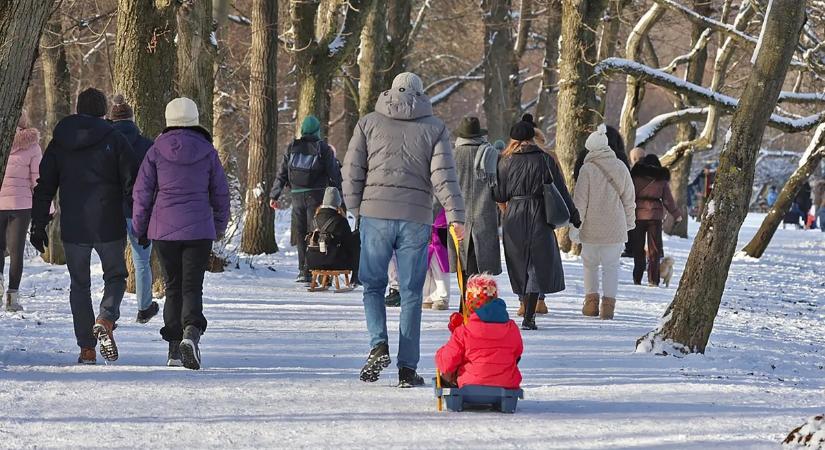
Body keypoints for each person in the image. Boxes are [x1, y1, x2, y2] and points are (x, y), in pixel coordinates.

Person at [343, 72, 466, 387]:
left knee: (372, 285)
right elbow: (443, 176)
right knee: (411, 293)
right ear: (420, 94)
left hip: (375, 213)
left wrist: (355, 207)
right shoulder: (434, 128)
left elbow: (352, 169)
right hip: (415, 217)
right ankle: (407, 369)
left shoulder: (368, 123)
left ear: (390, 92)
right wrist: (455, 216)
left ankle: (377, 344)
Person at [31, 88, 138, 365]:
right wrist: (139, 217)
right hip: (108, 224)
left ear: (78, 110)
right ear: (104, 111)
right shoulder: (114, 138)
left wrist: (38, 224)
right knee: (115, 277)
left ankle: (87, 349)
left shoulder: (60, 141)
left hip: (74, 226)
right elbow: (132, 182)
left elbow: (44, 187)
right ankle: (105, 318)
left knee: (79, 285)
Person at [132, 97, 229, 370]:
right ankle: (191, 334)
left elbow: (142, 194)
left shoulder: (155, 151)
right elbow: (220, 194)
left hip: (164, 230)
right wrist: (218, 227)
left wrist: (140, 228)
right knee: (192, 286)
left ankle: (175, 349)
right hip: (199, 230)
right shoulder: (208, 152)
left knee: (173, 286)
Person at [492, 121, 579, 331]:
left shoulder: (505, 162)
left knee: (519, 261)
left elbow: (500, 194)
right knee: (536, 264)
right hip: (540, 213)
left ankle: (524, 304)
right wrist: (574, 215)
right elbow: (561, 188)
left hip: (514, 215)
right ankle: (530, 314)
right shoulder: (545, 159)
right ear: (532, 137)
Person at [570, 125, 636, 320]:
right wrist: (629, 223)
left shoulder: (587, 169)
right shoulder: (621, 167)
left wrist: (575, 227)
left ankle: (590, 304)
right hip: (615, 227)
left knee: (589, 265)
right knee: (611, 267)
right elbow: (629, 199)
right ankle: (608, 307)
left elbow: (579, 202)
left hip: (591, 227)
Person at [270, 115, 342, 283]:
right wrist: (339, 196)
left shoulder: (292, 147)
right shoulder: (323, 148)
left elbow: (281, 174)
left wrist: (274, 195)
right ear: (317, 131)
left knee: (301, 233)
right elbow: (334, 175)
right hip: (316, 196)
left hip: (296, 196)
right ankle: (316, 268)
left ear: (302, 130)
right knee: (316, 232)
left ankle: (303, 271)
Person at [109, 94, 159, 323]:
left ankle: (110, 310)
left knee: (113, 264)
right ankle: (144, 307)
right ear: (132, 118)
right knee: (141, 261)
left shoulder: (105, 144)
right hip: (139, 211)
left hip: (110, 210)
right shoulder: (147, 145)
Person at [450, 116, 502, 313]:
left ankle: (465, 302)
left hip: (458, 216)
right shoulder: (490, 154)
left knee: (463, 262)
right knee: (481, 265)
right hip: (484, 214)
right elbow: (498, 188)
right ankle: (480, 302)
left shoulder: (452, 156)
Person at [435, 274, 522, 389]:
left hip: (470, 384)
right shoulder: (511, 328)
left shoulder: (464, 331)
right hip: (506, 384)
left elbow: (447, 362)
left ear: (469, 304)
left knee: (451, 364)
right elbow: (517, 353)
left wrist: (441, 353)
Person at [0, 111, 43, 312]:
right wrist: (47, 208)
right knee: (16, 252)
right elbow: (38, 181)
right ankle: (12, 298)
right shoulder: (32, 146)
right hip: (21, 205)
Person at [629, 154, 683, 287]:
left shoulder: (635, 178)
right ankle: (653, 279)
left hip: (638, 216)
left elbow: (628, 196)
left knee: (638, 248)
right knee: (654, 249)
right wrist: (677, 214)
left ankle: (637, 277)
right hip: (655, 217)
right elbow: (668, 200)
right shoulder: (661, 180)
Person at [305, 187, 360, 281]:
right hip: (334, 262)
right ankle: (356, 277)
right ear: (337, 202)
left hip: (313, 261)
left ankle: (323, 277)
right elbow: (348, 243)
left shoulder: (314, 219)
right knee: (356, 238)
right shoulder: (340, 220)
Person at [424, 207, 450, 310]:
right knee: (424, 263)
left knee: (439, 262)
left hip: (439, 221)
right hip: (421, 217)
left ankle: (441, 296)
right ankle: (427, 295)